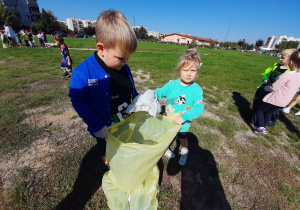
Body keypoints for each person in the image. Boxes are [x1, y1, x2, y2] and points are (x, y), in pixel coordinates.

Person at [68, 10, 139, 166]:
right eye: (121, 58)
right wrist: (96, 124)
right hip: (104, 129)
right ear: (101, 49)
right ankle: (108, 164)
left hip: (125, 123)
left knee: (124, 148)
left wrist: (139, 98)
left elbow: (130, 87)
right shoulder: (82, 73)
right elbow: (79, 101)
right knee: (108, 152)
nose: (125, 62)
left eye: (128, 57)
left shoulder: (124, 67)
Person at [155, 52, 204, 166]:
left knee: (182, 138)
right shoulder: (171, 85)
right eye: (185, 70)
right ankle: (165, 148)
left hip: (183, 123)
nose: (189, 74)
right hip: (168, 119)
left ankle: (184, 151)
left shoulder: (196, 90)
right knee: (167, 136)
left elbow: (198, 107)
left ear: (197, 73)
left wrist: (184, 116)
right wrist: (150, 97)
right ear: (179, 70)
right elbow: (160, 93)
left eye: (193, 71)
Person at [253, 50, 300, 134]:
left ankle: (260, 128)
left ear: (291, 62)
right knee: (269, 112)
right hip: (284, 102)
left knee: (260, 110)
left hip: (275, 99)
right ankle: (264, 126)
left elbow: (274, 87)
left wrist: (266, 88)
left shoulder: (287, 75)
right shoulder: (298, 76)